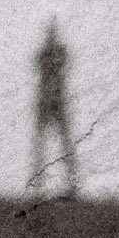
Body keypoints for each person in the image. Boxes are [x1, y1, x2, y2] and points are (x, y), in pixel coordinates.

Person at [29, 21, 79, 197]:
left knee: (62, 144)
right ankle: (39, 187)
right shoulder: (46, 53)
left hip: (56, 100)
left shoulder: (56, 52)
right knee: (43, 145)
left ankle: (71, 185)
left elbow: (59, 66)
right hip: (48, 100)